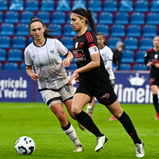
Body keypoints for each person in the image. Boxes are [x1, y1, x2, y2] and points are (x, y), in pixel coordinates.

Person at [68, 8, 144, 157]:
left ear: (83, 20)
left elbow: (96, 62)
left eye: (74, 20)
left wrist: (77, 71)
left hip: (100, 82)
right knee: (75, 110)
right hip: (86, 83)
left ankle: (137, 142)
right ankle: (100, 135)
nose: (71, 23)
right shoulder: (76, 39)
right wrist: (80, 73)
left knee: (118, 113)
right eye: (70, 20)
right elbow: (82, 61)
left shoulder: (90, 38)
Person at [24, 16, 84, 152]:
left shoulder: (54, 43)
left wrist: (68, 60)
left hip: (63, 82)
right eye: (34, 30)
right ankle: (78, 144)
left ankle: (80, 118)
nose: (37, 32)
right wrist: (31, 74)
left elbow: (69, 54)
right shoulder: (28, 50)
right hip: (46, 86)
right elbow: (28, 68)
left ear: (44, 29)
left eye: (39, 29)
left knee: (74, 113)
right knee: (61, 115)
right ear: (30, 32)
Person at [86, 32, 117, 121]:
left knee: (109, 97)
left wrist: (96, 69)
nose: (98, 41)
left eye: (100, 39)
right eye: (97, 39)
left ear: (103, 40)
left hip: (108, 77)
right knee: (91, 95)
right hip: (96, 77)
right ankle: (89, 114)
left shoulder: (107, 50)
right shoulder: (93, 50)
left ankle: (115, 114)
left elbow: (108, 66)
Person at [144, 36, 159, 120]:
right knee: (154, 93)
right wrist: (148, 64)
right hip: (154, 75)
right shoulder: (149, 51)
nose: (156, 42)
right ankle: (157, 112)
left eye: (158, 40)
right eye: (155, 40)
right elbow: (145, 61)